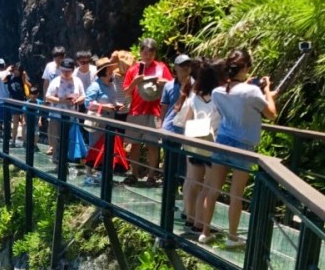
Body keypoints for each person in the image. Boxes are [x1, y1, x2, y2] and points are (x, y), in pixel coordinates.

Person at [197, 49, 277, 248]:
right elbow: (271, 114)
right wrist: (268, 92)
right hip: (244, 146)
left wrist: (252, 87)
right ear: (245, 68)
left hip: (223, 141)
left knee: (213, 189)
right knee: (236, 194)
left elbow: (235, 96)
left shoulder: (217, 91)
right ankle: (232, 237)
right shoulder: (252, 91)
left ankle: (205, 233)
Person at [174, 59, 225, 237]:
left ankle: (190, 217)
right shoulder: (220, 96)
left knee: (192, 181)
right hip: (212, 141)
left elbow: (188, 118)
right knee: (208, 186)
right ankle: (200, 224)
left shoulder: (195, 95)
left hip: (194, 138)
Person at [122, 38, 173, 186]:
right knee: (134, 144)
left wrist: (165, 83)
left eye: (151, 52)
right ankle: (133, 174)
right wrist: (135, 82)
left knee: (153, 145)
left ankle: (151, 175)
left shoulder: (162, 67)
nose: (148, 56)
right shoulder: (133, 69)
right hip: (136, 110)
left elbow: (172, 86)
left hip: (156, 111)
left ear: (155, 53)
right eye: (145, 52)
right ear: (140, 53)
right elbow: (126, 92)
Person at [82, 57, 129, 184]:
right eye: (110, 69)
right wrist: (104, 106)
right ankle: (88, 174)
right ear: (105, 71)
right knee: (94, 146)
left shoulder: (112, 85)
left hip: (110, 121)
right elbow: (88, 104)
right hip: (98, 122)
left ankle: (101, 173)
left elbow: (111, 100)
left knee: (106, 148)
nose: (112, 71)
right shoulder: (95, 86)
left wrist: (117, 104)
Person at [45, 57, 86, 162]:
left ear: (73, 70)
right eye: (63, 71)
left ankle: (66, 161)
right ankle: (58, 162)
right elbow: (48, 97)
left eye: (68, 71)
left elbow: (83, 95)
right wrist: (62, 100)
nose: (66, 73)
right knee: (57, 139)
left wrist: (76, 101)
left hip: (72, 115)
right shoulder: (56, 81)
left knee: (70, 139)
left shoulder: (77, 81)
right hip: (57, 115)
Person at [5, 63, 31, 144]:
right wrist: (7, 70)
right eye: (15, 70)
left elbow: (30, 87)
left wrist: (24, 80)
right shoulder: (10, 78)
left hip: (22, 102)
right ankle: (13, 141)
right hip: (14, 103)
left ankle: (24, 142)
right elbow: (2, 79)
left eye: (18, 71)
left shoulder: (22, 79)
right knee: (15, 123)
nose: (16, 72)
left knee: (24, 123)